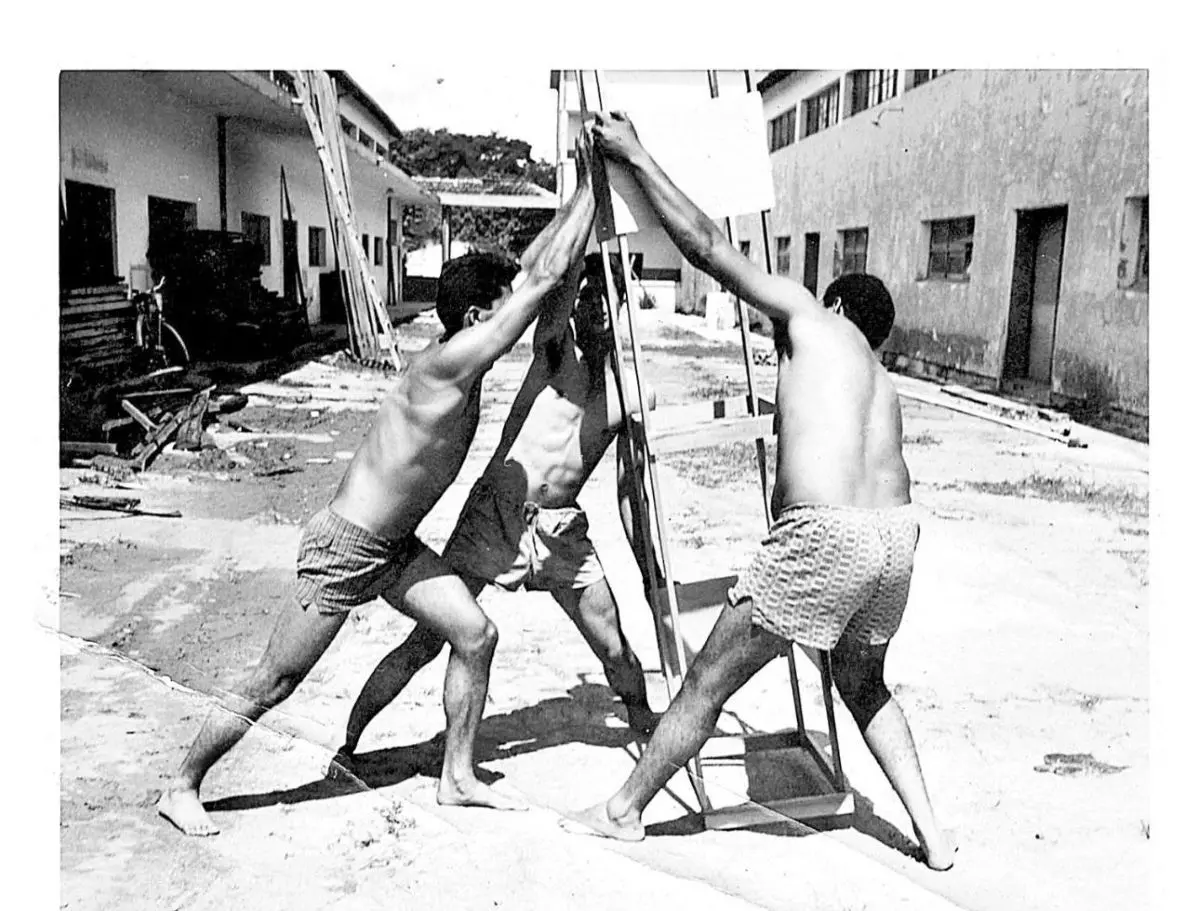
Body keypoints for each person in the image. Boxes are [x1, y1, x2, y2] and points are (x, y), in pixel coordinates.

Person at [156, 133, 597, 837]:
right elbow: (541, 281)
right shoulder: (449, 365)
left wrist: (582, 191)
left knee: (476, 634)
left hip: (393, 547)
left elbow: (532, 273)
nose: (512, 310)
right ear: (477, 320)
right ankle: (182, 784)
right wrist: (596, 188)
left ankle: (456, 777)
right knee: (275, 679)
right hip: (346, 545)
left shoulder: (457, 351)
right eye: (501, 307)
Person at [562, 111, 957, 871]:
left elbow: (708, 248)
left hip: (828, 536)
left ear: (836, 305)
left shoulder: (811, 316)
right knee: (864, 684)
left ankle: (623, 811)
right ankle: (933, 836)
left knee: (707, 680)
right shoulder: (882, 380)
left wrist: (636, 154)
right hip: (897, 538)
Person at [329, 250, 660, 775]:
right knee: (428, 640)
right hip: (496, 514)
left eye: (609, 296)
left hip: (560, 530)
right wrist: (586, 230)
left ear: (625, 305)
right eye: (589, 294)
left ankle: (647, 727)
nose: (597, 306)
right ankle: (349, 744)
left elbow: (630, 490)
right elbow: (557, 283)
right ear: (575, 303)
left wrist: (649, 568)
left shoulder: (632, 391)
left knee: (614, 647)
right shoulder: (554, 350)